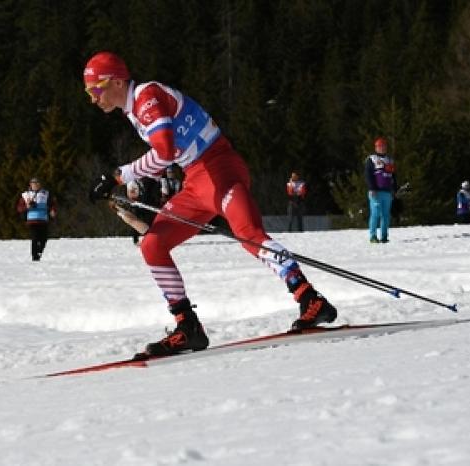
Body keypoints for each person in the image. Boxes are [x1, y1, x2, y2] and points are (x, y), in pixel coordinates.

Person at [84, 51, 337, 357]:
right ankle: (187, 327)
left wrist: (118, 176)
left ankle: (309, 298)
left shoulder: (146, 97)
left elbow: (165, 151)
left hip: (221, 170)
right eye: (89, 92)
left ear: (117, 81)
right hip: (196, 182)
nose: (93, 99)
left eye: (95, 89)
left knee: (249, 235)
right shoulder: (133, 111)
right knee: (152, 245)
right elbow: (170, 156)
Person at [365, 137, 397, 243]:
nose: (382, 148)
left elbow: (393, 176)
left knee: (386, 215)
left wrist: (394, 189)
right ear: (376, 147)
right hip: (375, 192)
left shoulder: (389, 160)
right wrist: (372, 188)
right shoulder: (371, 159)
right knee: (375, 214)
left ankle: (384, 237)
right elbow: (368, 175)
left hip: (387, 192)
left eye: (383, 146)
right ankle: (373, 236)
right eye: (379, 146)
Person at [17, 177, 57, 261]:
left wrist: (53, 210)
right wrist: (27, 206)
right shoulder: (25, 195)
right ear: (30, 184)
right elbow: (19, 208)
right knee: (35, 238)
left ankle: (39, 252)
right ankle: (35, 257)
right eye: (33, 183)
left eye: (37, 183)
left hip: (43, 220)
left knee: (44, 239)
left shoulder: (46, 194)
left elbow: (52, 204)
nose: (35, 185)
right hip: (32, 220)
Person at [111, 177, 160, 245]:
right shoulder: (131, 182)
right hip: (137, 203)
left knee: (148, 220)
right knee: (136, 221)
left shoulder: (141, 181)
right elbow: (131, 194)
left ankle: (152, 236)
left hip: (143, 203)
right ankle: (136, 239)